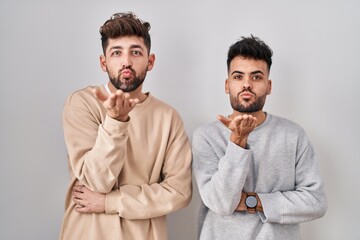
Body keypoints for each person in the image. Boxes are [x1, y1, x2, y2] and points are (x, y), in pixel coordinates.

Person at [59, 12, 192, 240]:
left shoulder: (168, 117)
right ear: (104, 62)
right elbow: (97, 180)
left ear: (150, 62)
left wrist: (109, 201)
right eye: (116, 52)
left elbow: (179, 192)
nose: (126, 61)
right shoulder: (81, 103)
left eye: (136, 52)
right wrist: (115, 121)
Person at [192, 35, 327, 239]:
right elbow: (220, 203)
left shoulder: (293, 134)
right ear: (227, 85)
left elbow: (316, 202)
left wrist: (252, 202)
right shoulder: (206, 136)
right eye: (238, 77)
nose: (247, 84)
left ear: (269, 86)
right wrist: (237, 142)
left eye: (256, 77)